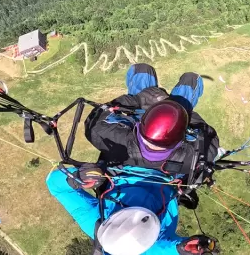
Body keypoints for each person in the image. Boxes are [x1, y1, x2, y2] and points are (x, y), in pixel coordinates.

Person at [84, 63, 222, 196]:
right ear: (180, 139)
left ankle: (161, 98)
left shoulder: (116, 138)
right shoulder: (191, 157)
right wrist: (184, 114)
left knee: (142, 70)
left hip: (142, 110)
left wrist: (137, 99)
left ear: (139, 126)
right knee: (191, 79)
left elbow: (94, 121)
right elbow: (210, 137)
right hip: (171, 115)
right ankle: (184, 93)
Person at [46, 164, 219, 255]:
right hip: (171, 174)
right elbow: (166, 249)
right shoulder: (148, 247)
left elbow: (55, 185)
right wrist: (184, 249)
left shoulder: (95, 222)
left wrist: (77, 178)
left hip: (126, 164)